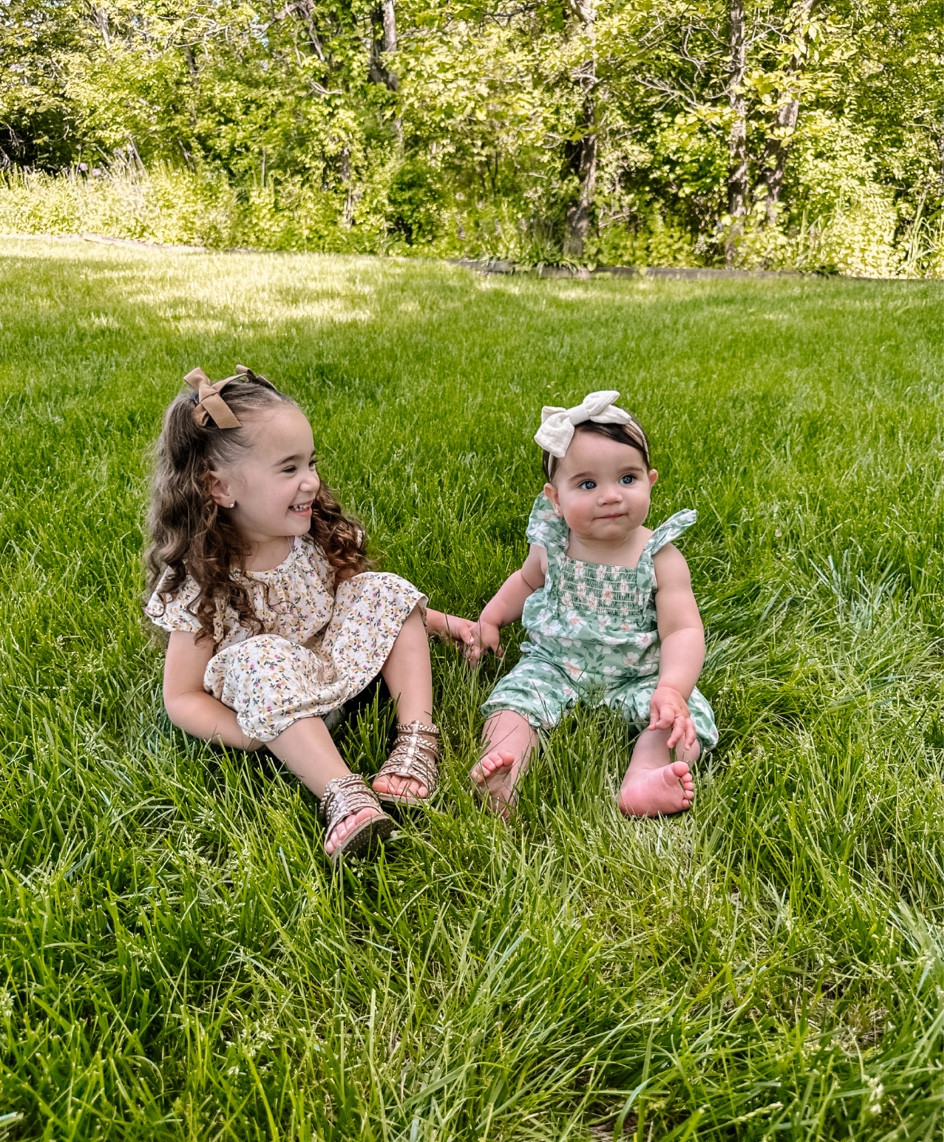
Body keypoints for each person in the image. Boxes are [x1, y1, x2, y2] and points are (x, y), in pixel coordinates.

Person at [145, 365, 472, 863]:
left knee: (381, 587)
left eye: (310, 463)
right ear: (220, 489)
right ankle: (343, 795)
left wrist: (447, 624)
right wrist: (246, 733)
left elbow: (363, 603)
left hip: (337, 668)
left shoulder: (311, 536)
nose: (312, 482)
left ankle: (416, 740)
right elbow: (181, 696)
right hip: (276, 706)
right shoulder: (204, 581)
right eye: (289, 469)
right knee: (258, 656)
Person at [468, 390, 718, 818]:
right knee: (515, 702)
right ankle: (505, 769)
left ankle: (645, 776)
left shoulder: (659, 555)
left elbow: (682, 629)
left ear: (650, 481)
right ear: (556, 499)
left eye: (627, 479)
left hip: (637, 676)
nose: (610, 496)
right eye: (588, 484)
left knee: (684, 719)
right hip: (555, 665)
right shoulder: (552, 545)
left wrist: (671, 689)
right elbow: (526, 581)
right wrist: (491, 618)